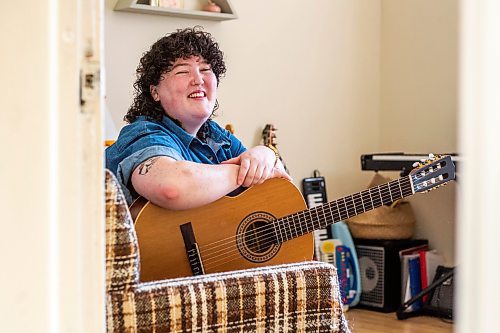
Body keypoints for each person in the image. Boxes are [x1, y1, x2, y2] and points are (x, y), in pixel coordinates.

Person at [106, 27, 291, 210]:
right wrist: (243, 171)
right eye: (182, 71)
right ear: (155, 91)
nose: (198, 79)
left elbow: (276, 189)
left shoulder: (215, 136)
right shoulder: (145, 133)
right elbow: (171, 187)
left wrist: (265, 153)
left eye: (205, 69)